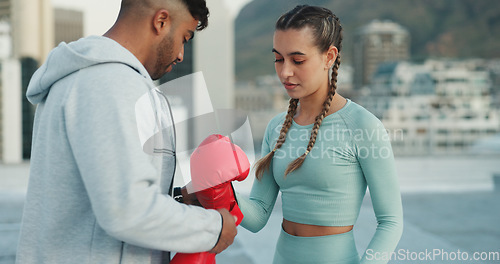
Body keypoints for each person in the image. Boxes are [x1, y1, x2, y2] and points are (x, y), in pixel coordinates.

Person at [16, 0, 237, 263]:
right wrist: (214, 227)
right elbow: (126, 209)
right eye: (184, 38)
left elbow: (99, 197)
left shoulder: (101, 81)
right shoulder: (109, 84)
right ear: (161, 21)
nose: (180, 54)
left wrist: (174, 200)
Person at [234, 5, 404, 264]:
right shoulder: (276, 127)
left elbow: (391, 222)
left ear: (329, 57)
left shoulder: (362, 126)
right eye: (278, 59)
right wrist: (217, 190)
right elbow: (257, 216)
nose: (284, 72)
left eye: (297, 60)